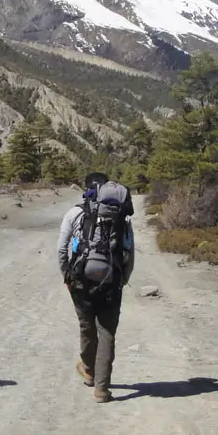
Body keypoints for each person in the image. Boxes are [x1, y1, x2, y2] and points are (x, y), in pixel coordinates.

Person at [57, 172, 135, 403]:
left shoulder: (74, 213)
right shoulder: (122, 217)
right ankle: (101, 389)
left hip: (81, 280)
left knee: (86, 326)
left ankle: (89, 369)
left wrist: (67, 276)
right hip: (112, 282)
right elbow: (129, 254)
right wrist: (122, 280)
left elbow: (61, 249)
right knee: (107, 333)